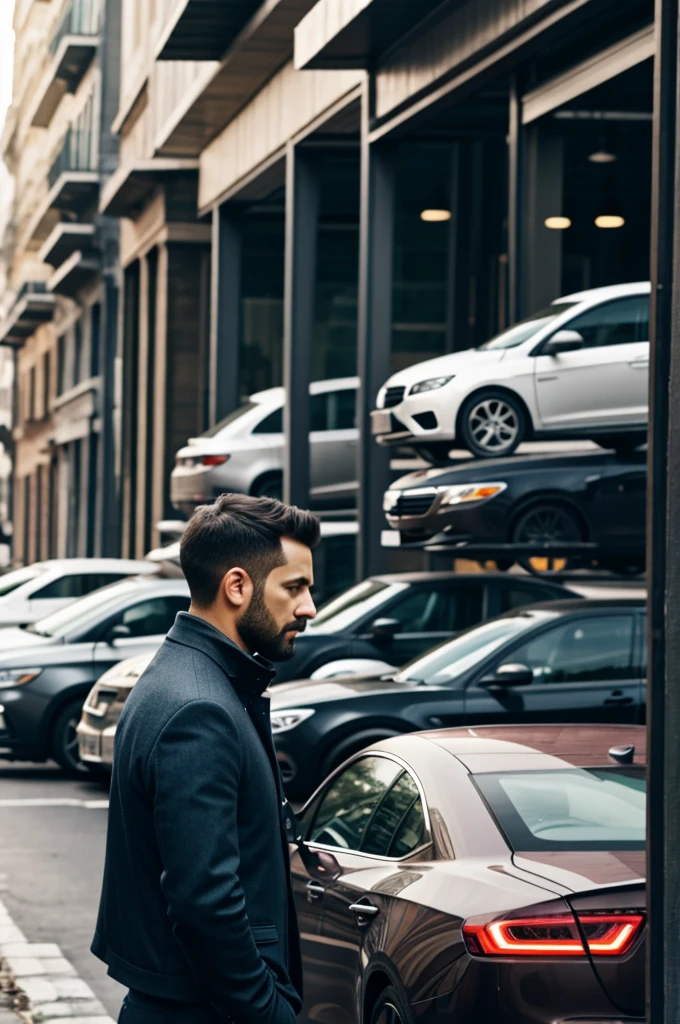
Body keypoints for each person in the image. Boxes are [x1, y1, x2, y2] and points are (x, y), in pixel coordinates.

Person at [92, 493, 320, 1024]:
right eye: (295, 587)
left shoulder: (183, 677)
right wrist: (267, 1012)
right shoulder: (199, 706)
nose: (309, 607)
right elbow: (205, 900)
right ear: (237, 586)